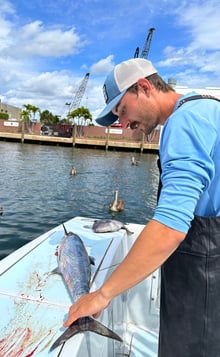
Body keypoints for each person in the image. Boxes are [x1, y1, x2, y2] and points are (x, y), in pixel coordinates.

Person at [63, 58, 220, 356]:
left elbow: (170, 227)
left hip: (203, 276)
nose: (124, 125)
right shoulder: (209, 108)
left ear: (144, 87)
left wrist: (101, 295)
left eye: (122, 111)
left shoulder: (184, 121)